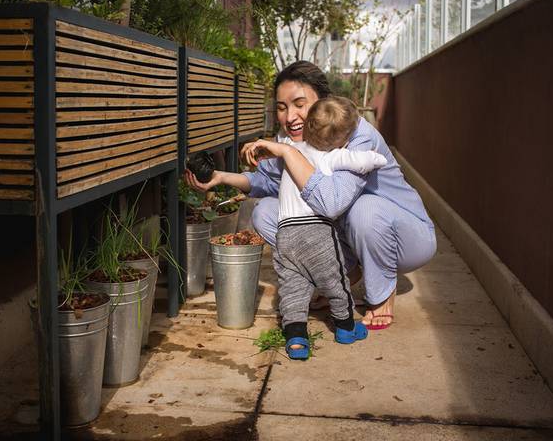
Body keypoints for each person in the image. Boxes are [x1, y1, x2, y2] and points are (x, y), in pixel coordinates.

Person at [184, 61, 436, 329]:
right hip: (353, 235)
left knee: (365, 208)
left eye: (299, 104)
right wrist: (221, 177)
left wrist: (288, 153)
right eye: (282, 108)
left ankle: (382, 291)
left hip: (406, 238)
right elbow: (268, 182)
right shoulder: (290, 140)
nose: (290, 116)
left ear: (322, 102)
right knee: (267, 212)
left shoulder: (356, 133)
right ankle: (340, 275)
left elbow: (332, 202)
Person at [249, 96, 387, 359]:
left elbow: (269, 163)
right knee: (335, 281)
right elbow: (366, 161)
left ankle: (297, 339)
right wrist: (377, 159)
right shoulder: (332, 156)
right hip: (317, 231)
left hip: (286, 232)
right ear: (340, 139)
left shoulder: (290, 150)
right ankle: (346, 327)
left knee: (293, 286)